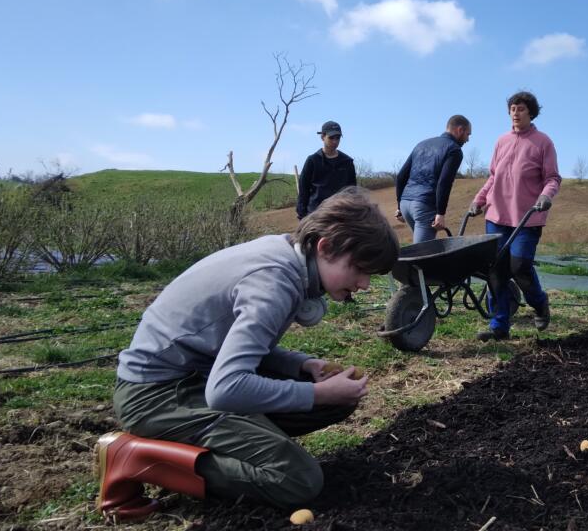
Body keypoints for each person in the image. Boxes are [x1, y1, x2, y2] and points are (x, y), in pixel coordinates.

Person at [96, 187, 399, 521]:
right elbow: (225, 389)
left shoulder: (287, 254)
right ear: (325, 247)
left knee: (334, 400)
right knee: (298, 480)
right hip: (155, 395)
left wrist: (302, 365)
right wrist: (318, 393)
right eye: (359, 268)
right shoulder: (274, 283)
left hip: (198, 374)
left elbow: (237, 346)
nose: (364, 284)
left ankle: (240, 441)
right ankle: (136, 458)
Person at [469, 91, 561, 341]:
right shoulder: (501, 141)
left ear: (531, 113)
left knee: (520, 267)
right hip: (496, 216)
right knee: (496, 271)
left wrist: (546, 195)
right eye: (512, 109)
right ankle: (499, 325)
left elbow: (553, 178)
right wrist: (479, 200)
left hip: (526, 219)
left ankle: (539, 303)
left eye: (521, 109)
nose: (515, 113)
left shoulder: (543, 142)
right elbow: (493, 177)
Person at [394, 115, 471, 243]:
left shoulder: (421, 145)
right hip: (423, 206)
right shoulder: (454, 150)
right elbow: (444, 182)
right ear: (460, 130)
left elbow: (401, 176)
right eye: (468, 134)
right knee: (423, 252)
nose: (467, 139)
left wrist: (399, 206)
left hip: (406, 204)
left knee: (420, 248)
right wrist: (441, 213)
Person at [297, 121, 357, 220]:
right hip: (317, 216)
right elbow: (303, 190)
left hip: (342, 215)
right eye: (331, 138)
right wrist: (302, 215)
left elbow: (352, 190)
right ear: (322, 137)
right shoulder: (312, 161)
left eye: (338, 138)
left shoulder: (347, 162)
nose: (335, 141)